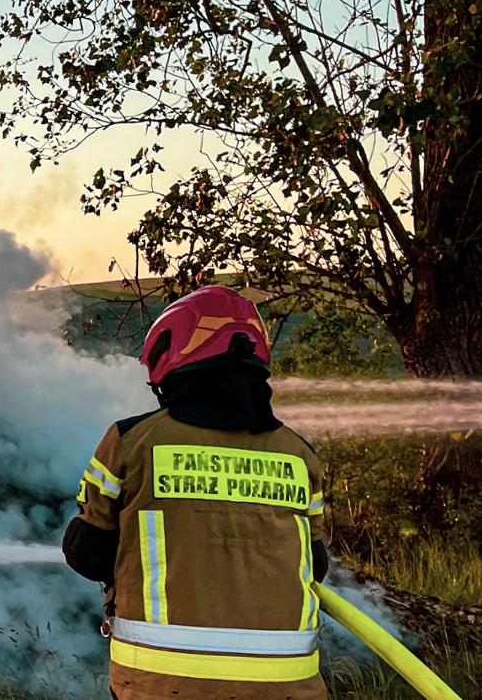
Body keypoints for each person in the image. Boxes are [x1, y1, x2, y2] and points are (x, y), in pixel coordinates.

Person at [62, 285, 329, 699]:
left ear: (169, 358)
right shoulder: (299, 454)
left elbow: (87, 552)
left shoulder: (132, 441)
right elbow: (316, 564)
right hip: (290, 685)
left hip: (160, 683)